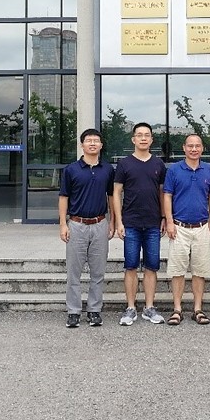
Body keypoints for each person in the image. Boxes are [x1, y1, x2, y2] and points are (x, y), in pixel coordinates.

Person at [58, 128, 115, 328]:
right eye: (88, 140)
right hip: (77, 225)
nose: (92, 143)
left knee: (98, 273)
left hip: (100, 224)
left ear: (101, 145)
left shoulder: (107, 170)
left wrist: (113, 222)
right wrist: (63, 224)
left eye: (96, 140)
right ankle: (73, 311)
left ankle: (94, 311)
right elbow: (63, 197)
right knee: (74, 273)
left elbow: (111, 197)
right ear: (82, 145)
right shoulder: (71, 170)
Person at [113, 122, 167, 325]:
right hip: (131, 223)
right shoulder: (124, 164)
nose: (143, 138)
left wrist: (163, 217)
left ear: (152, 139)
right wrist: (119, 221)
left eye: (147, 135)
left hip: (153, 223)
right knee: (131, 266)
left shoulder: (158, 164)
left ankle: (149, 308)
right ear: (133, 139)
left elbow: (162, 193)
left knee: (152, 267)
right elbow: (116, 193)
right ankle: (130, 308)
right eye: (139, 135)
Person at [163, 134, 210, 326]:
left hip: (201, 226)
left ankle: (197, 309)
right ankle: (177, 309)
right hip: (179, 227)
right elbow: (167, 196)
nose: (194, 149)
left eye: (197, 146)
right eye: (190, 146)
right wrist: (169, 221)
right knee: (177, 270)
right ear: (184, 148)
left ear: (202, 148)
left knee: (199, 270)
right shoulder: (174, 170)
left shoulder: (209, 170)